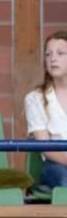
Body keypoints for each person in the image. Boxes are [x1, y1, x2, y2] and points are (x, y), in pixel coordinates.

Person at [25, 30, 67, 188]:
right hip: (56, 165)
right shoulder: (35, 98)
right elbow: (44, 146)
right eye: (48, 54)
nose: (53, 59)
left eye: (60, 53)